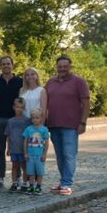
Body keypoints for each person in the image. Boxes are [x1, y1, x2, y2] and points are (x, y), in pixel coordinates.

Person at [45, 55, 90, 195]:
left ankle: (67, 183)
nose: (62, 69)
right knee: (59, 155)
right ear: (56, 67)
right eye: (60, 67)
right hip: (53, 124)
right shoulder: (50, 82)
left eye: (65, 66)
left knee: (69, 154)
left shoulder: (79, 82)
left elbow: (86, 104)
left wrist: (83, 122)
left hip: (71, 125)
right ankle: (63, 180)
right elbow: (44, 102)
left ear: (70, 67)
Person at [0, 55, 22, 190]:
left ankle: (16, 178)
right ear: (0, 66)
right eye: (4, 64)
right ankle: (1, 177)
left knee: (16, 150)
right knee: (0, 150)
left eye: (8, 64)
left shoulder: (19, 82)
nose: (6, 66)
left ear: (12, 65)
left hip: (15, 120)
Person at [23, 107, 51, 194]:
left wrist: (44, 154)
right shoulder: (28, 129)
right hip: (30, 155)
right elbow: (25, 142)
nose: (35, 120)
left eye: (37, 118)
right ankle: (31, 186)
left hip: (39, 155)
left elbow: (46, 143)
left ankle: (38, 186)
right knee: (31, 172)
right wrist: (26, 153)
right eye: (33, 118)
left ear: (41, 118)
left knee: (39, 172)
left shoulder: (44, 130)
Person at [5, 98, 29, 192]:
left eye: (21, 107)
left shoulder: (27, 121)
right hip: (14, 148)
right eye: (17, 107)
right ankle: (14, 183)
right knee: (14, 166)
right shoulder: (10, 121)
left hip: (23, 149)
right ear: (13, 107)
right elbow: (8, 135)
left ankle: (24, 183)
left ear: (24, 108)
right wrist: (8, 148)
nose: (19, 109)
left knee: (24, 166)